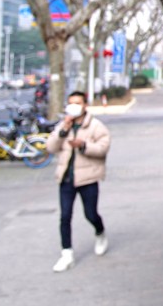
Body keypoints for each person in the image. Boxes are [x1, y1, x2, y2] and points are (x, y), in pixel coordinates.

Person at [46, 91, 111, 272]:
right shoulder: (64, 125)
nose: (73, 106)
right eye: (70, 103)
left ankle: (100, 232)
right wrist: (63, 131)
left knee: (90, 214)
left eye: (77, 103)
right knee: (65, 216)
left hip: (88, 178)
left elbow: (103, 148)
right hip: (66, 178)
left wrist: (83, 145)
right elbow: (50, 147)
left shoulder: (95, 126)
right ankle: (67, 253)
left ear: (85, 105)